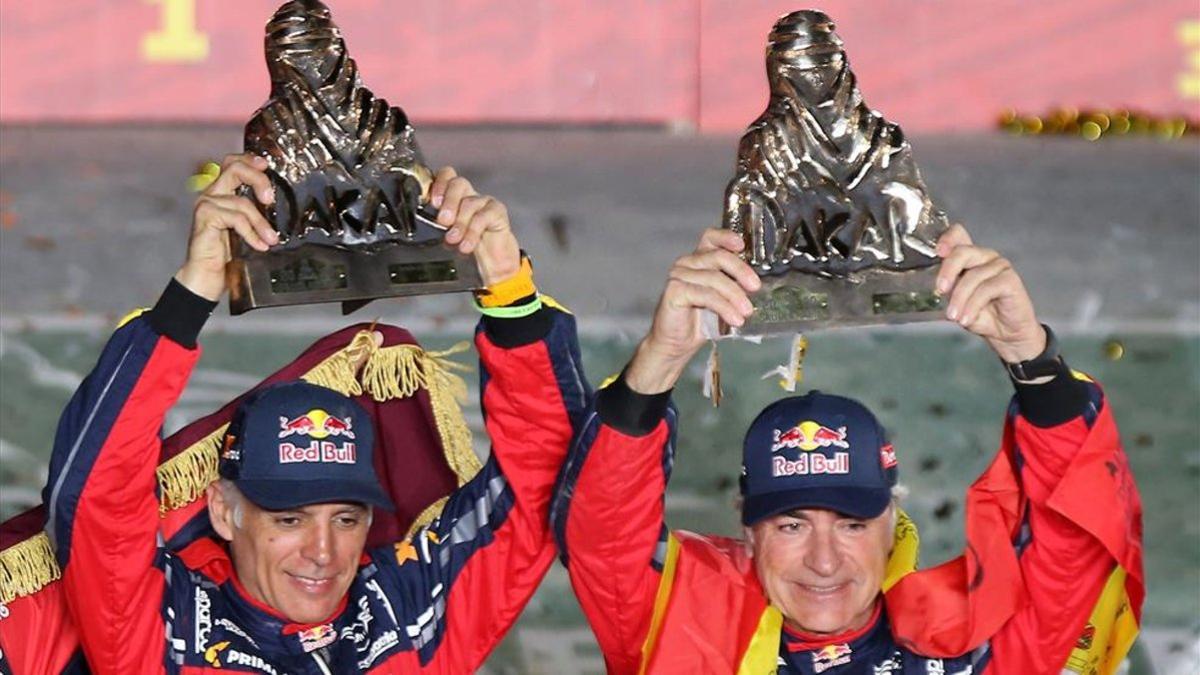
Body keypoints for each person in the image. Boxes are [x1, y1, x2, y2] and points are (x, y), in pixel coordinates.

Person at [43, 154, 591, 673]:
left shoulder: (410, 613)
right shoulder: (163, 631)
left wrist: (510, 292)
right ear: (223, 511)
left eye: (346, 519)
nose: (323, 553)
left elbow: (544, 478)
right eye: (289, 519)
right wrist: (192, 294)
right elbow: (94, 493)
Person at [550, 227, 1143, 673]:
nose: (825, 561)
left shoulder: (967, 648)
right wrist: (660, 357)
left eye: (853, 524)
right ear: (748, 530)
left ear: (893, 524)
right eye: (791, 525)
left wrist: (1032, 359)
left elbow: (1075, 546)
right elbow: (603, 535)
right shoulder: (685, 624)